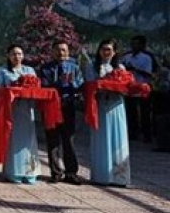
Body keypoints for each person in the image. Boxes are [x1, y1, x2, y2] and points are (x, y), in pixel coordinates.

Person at [85, 39, 130, 186]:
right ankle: (102, 176)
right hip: (100, 106)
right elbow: (89, 85)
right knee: (101, 139)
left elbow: (127, 86)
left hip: (116, 106)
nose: (106, 52)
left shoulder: (120, 67)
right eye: (103, 49)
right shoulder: (91, 66)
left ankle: (119, 177)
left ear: (115, 52)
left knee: (118, 139)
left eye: (109, 49)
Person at [39, 40, 84, 185]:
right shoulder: (45, 68)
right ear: (52, 52)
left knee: (69, 141)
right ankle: (55, 172)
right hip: (51, 107)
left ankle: (71, 172)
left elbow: (80, 84)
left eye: (64, 50)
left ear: (68, 52)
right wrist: (59, 82)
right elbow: (44, 86)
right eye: (57, 50)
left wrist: (71, 84)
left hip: (68, 106)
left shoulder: (74, 66)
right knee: (52, 140)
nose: (61, 53)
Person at [0, 45, 40, 184]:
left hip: (27, 109)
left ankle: (30, 171)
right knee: (13, 140)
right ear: (8, 56)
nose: (17, 56)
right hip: (12, 110)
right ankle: (13, 171)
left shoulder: (29, 70)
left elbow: (36, 88)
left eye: (19, 54)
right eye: (14, 54)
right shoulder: (2, 71)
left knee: (29, 140)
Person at [119, 35, 157, 143]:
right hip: (130, 87)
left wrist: (135, 69)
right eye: (133, 44)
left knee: (145, 112)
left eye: (137, 44)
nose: (134, 46)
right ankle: (132, 133)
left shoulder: (146, 58)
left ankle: (147, 134)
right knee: (131, 112)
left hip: (142, 87)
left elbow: (148, 74)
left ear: (142, 45)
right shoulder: (127, 57)